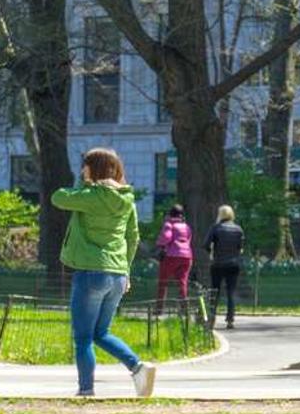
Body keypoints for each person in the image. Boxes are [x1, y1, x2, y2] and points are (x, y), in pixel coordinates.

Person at [53, 148, 156, 398]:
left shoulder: (89, 195)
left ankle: (86, 389)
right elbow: (133, 237)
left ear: (92, 168)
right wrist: (127, 271)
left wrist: (83, 181)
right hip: (118, 275)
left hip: (91, 273)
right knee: (101, 333)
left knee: (84, 338)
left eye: (84, 166)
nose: (81, 170)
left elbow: (58, 197)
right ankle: (137, 367)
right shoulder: (126, 199)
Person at [205, 205, 245, 330]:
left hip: (218, 263)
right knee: (230, 292)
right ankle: (230, 319)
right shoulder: (238, 229)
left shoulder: (216, 228)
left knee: (215, 292)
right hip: (233, 264)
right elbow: (241, 247)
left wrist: (212, 253)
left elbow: (206, 244)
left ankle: (211, 319)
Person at [154, 204, 194, 310]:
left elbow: (166, 237)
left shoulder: (169, 224)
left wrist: (159, 243)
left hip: (171, 256)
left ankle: (159, 308)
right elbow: (189, 238)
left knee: (163, 282)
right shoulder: (186, 226)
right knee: (182, 282)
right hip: (187, 257)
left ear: (170, 213)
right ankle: (184, 308)